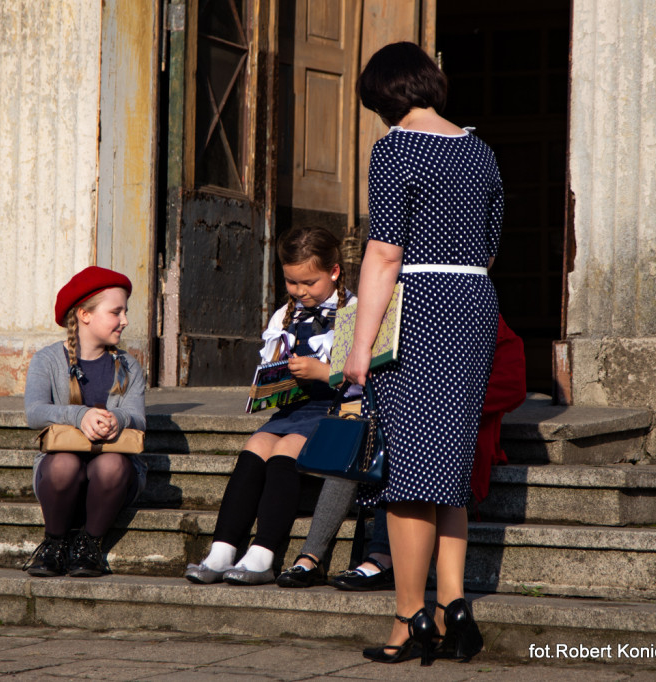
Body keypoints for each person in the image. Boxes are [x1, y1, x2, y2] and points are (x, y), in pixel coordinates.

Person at [344, 42, 504, 666]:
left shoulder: (396, 150)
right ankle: (452, 604)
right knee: (450, 466)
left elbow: (383, 254)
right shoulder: (480, 149)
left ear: (385, 96)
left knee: (411, 473)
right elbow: (491, 247)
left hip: (422, 307)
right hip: (473, 301)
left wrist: (360, 349)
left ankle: (408, 618)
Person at [275, 315, 524, 591]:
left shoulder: (484, 319)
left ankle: (382, 556)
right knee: (354, 448)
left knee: (400, 448)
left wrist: (438, 405)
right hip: (387, 416)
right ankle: (311, 556)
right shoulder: (392, 309)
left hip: (450, 431)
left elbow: (513, 387)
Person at [185, 226, 356, 586]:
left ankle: (263, 554)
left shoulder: (354, 312)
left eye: (308, 282)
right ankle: (222, 548)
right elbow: (271, 363)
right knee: (254, 449)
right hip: (293, 408)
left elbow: (362, 377)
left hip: (334, 409)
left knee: (285, 451)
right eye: (292, 282)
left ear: (335, 272)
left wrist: (323, 371)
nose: (300, 291)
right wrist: (269, 383)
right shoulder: (284, 315)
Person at [22, 266, 148, 578]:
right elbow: (34, 411)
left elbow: (139, 418)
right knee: (64, 463)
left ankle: (89, 544)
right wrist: (79, 415)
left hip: (113, 478)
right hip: (59, 478)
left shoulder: (129, 366)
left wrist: (117, 418)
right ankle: (54, 543)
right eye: (116, 311)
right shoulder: (48, 360)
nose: (125, 320)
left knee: (112, 464)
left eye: (125, 311)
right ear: (85, 314)